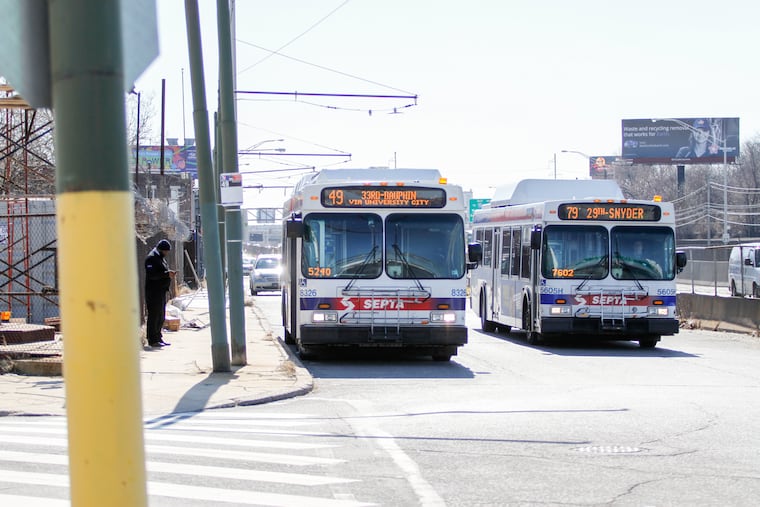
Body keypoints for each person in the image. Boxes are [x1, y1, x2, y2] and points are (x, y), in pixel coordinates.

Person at [144, 239, 175, 347]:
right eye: (166, 251)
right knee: (154, 316)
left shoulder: (160, 258)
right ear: (161, 250)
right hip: (153, 292)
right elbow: (152, 275)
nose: (167, 253)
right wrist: (167, 274)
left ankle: (158, 337)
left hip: (160, 291)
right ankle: (152, 339)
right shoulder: (151, 259)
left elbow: (162, 271)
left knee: (161, 316)